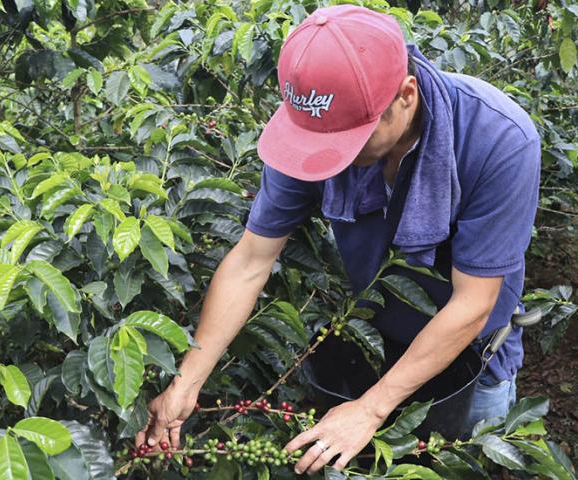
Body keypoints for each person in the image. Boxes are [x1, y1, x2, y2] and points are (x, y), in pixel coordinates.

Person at [135, 4, 541, 476]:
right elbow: (251, 260)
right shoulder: (312, 128)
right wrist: (186, 381)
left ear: (406, 97)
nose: (331, 157)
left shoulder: (499, 140)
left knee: (463, 462)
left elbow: (473, 303)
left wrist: (371, 410)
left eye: (351, 140)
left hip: (472, 359)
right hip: (377, 336)